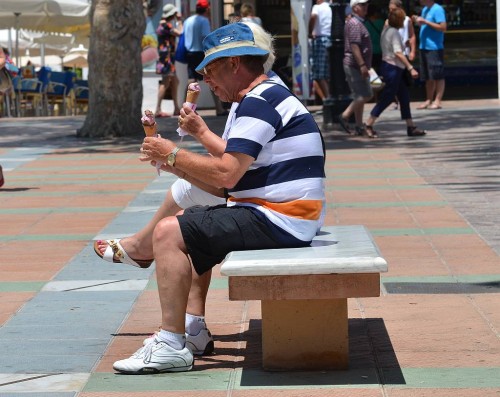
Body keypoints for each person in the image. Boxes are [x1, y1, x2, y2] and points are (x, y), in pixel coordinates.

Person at [110, 22, 325, 374]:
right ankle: (190, 330)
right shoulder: (262, 98)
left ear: (235, 64)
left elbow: (225, 173)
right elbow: (232, 185)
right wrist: (171, 163)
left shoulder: (260, 102)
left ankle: (170, 343)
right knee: (192, 220)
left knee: (168, 232)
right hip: (285, 214)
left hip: (280, 218)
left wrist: (173, 153)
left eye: (211, 70)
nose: (207, 80)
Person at [364, 7, 426, 138]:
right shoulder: (395, 33)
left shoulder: (387, 31)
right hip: (393, 69)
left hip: (390, 67)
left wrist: (405, 45)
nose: (404, 21)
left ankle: (411, 126)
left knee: (404, 97)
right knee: (387, 97)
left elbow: (393, 48)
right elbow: (398, 53)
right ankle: (369, 124)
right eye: (402, 19)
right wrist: (410, 67)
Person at [183, 0, 226, 116]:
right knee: (212, 78)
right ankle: (219, 108)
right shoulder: (204, 20)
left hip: (189, 53)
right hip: (201, 53)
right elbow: (206, 37)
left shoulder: (188, 20)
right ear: (207, 9)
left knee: (191, 81)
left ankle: (185, 108)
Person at [338, 0, 373, 137]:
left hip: (356, 65)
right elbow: (354, 46)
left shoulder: (356, 22)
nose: (366, 7)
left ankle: (359, 126)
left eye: (366, 5)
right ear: (355, 7)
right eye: (363, 5)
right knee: (366, 94)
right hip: (355, 65)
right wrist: (362, 65)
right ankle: (344, 116)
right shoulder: (354, 23)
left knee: (360, 95)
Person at [412, 0, 447, 110]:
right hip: (424, 47)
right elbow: (425, 23)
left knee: (437, 74)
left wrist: (426, 22)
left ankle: (438, 100)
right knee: (428, 76)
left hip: (434, 47)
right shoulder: (425, 9)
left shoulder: (437, 9)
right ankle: (428, 99)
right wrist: (418, 21)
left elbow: (443, 27)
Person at [387, 0, 417, 110]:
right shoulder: (388, 21)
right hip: (393, 54)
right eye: (390, 10)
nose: (391, 12)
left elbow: (412, 35)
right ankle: (396, 99)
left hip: (403, 53)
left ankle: (403, 100)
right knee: (393, 78)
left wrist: (413, 51)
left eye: (393, 9)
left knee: (403, 79)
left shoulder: (407, 20)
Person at [155, 4, 182, 117]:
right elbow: (179, 33)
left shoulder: (162, 24)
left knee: (175, 81)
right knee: (166, 82)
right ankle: (158, 109)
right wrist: (180, 21)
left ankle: (176, 108)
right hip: (166, 58)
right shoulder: (166, 25)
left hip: (166, 57)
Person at [308, 0, 332, 101]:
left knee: (318, 73)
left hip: (320, 40)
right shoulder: (331, 7)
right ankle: (329, 97)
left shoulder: (317, 7)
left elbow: (313, 17)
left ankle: (328, 98)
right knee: (328, 73)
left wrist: (309, 32)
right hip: (331, 39)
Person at [364, 3, 384, 74]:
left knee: (371, 70)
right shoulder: (381, 23)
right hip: (379, 50)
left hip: (369, 51)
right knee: (379, 70)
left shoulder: (365, 24)